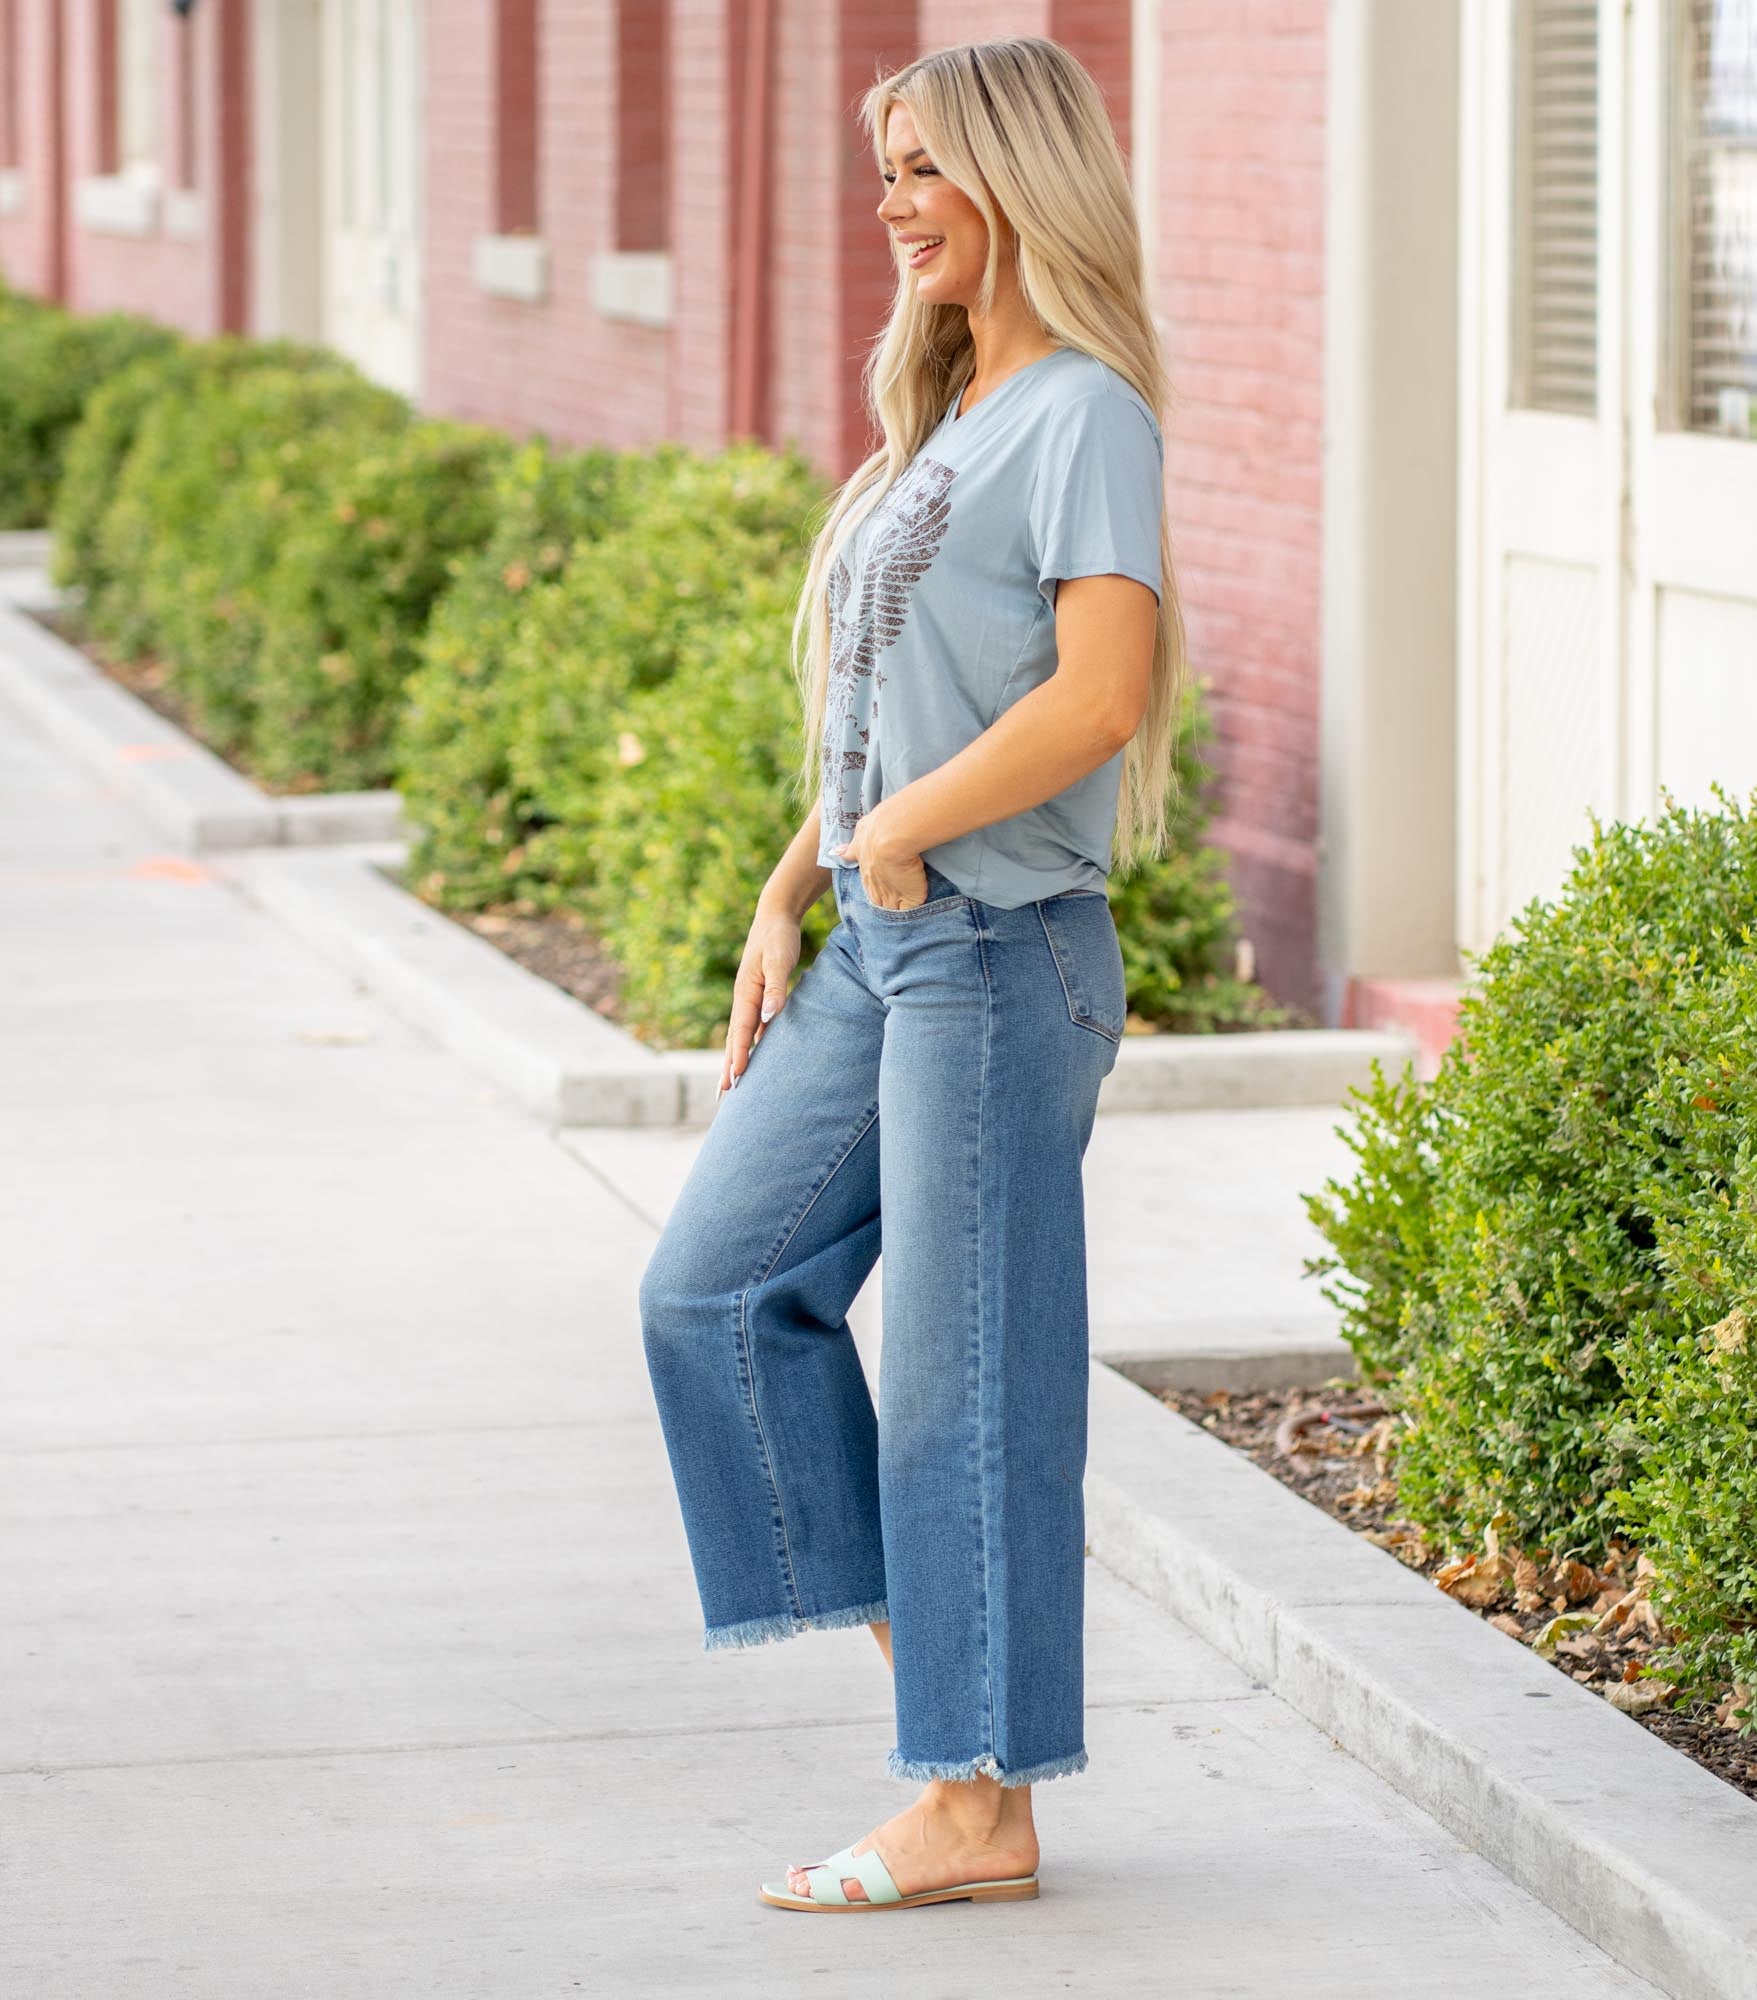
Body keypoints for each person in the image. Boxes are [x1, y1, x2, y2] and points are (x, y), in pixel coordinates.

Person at [636, 33, 1188, 1915]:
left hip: (997, 952)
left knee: (964, 1389)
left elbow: (1098, 701)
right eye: (884, 171)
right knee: (714, 1295)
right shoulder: (952, 415)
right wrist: (795, 879)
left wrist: (900, 837)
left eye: (926, 166)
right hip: (877, 936)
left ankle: (974, 1801)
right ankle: (965, 1727)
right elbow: (885, 706)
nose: (894, 205)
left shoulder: (1086, 415)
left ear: (1022, 177)